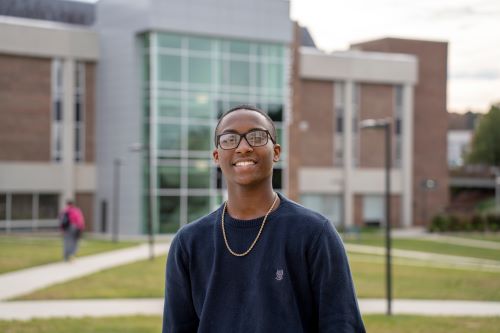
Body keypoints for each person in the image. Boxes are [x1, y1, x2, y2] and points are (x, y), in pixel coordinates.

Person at [163, 105, 365, 332]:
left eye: (257, 137)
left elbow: (341, 325)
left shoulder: (315, 233)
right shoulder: (189, 243)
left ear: (276, 152)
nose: (244, 147)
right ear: (217, 157)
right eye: (230, 139)